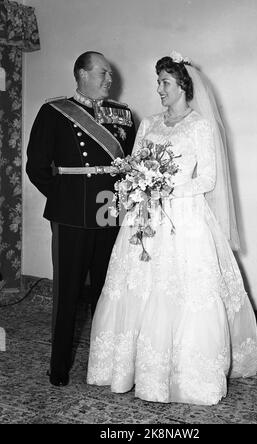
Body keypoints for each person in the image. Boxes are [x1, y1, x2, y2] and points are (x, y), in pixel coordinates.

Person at [86, 52, 257, 405]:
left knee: (182, 293)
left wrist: (166, 188)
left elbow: (208, 178)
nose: (159, 89)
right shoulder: (148, 123)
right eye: (158, 82)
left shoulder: (200, 126)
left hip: (185, 220)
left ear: (182, 85)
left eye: (165, 82)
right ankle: (125, 368)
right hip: (145, 218)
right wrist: (139, 185)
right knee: (134, 289)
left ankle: (185, 375)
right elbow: (134, 165)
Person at [26, 51, 136, 387]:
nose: (108, 80)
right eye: (102, 73)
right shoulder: (54, 112)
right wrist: (64, 199)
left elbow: (131, 164)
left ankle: (105, 366)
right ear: (81, 74)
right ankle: (59, 366)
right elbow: (36, 166)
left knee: (108, 292)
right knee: (68, 293)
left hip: (109, 214)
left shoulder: (124, 115)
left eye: (110, 75)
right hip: (71, 216)